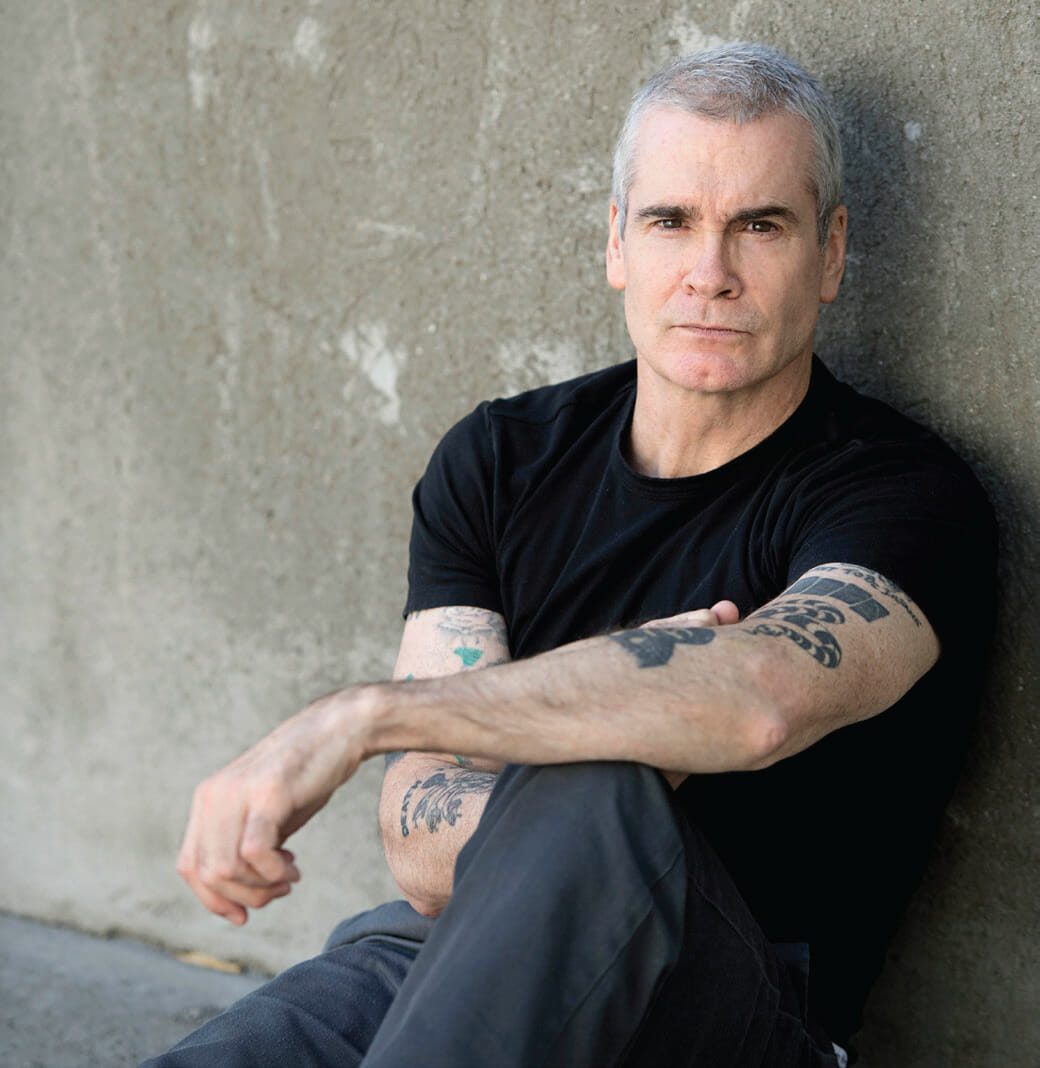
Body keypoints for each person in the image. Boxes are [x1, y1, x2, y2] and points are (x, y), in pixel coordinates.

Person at [146, 42, 995, 1067]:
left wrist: (362, 718)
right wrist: (646, 705)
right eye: (671, 221)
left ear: (831, 253)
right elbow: (417, 845)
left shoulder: (902, 494)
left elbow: (759, 699)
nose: (710, 274)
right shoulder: (500, 460)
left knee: (593, 793)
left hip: (715, 1009)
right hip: (426, 952)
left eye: (759, 226)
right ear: (615, 242)